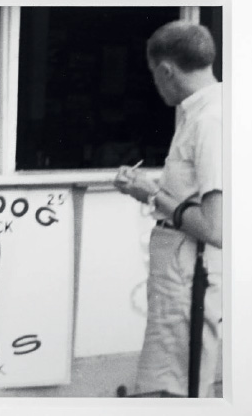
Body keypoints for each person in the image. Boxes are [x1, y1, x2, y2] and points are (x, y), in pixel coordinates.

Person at [113, 21, 222, 397]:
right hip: (181, 273)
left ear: (165, 70)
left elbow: (216, 226)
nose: (156, 85)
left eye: (154, 75)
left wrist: (151, 195)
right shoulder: (206, 112)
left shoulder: (210, 121)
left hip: (190, 278)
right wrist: (157, 190)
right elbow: (197, 197)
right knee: (169, 381)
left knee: (175, 389)